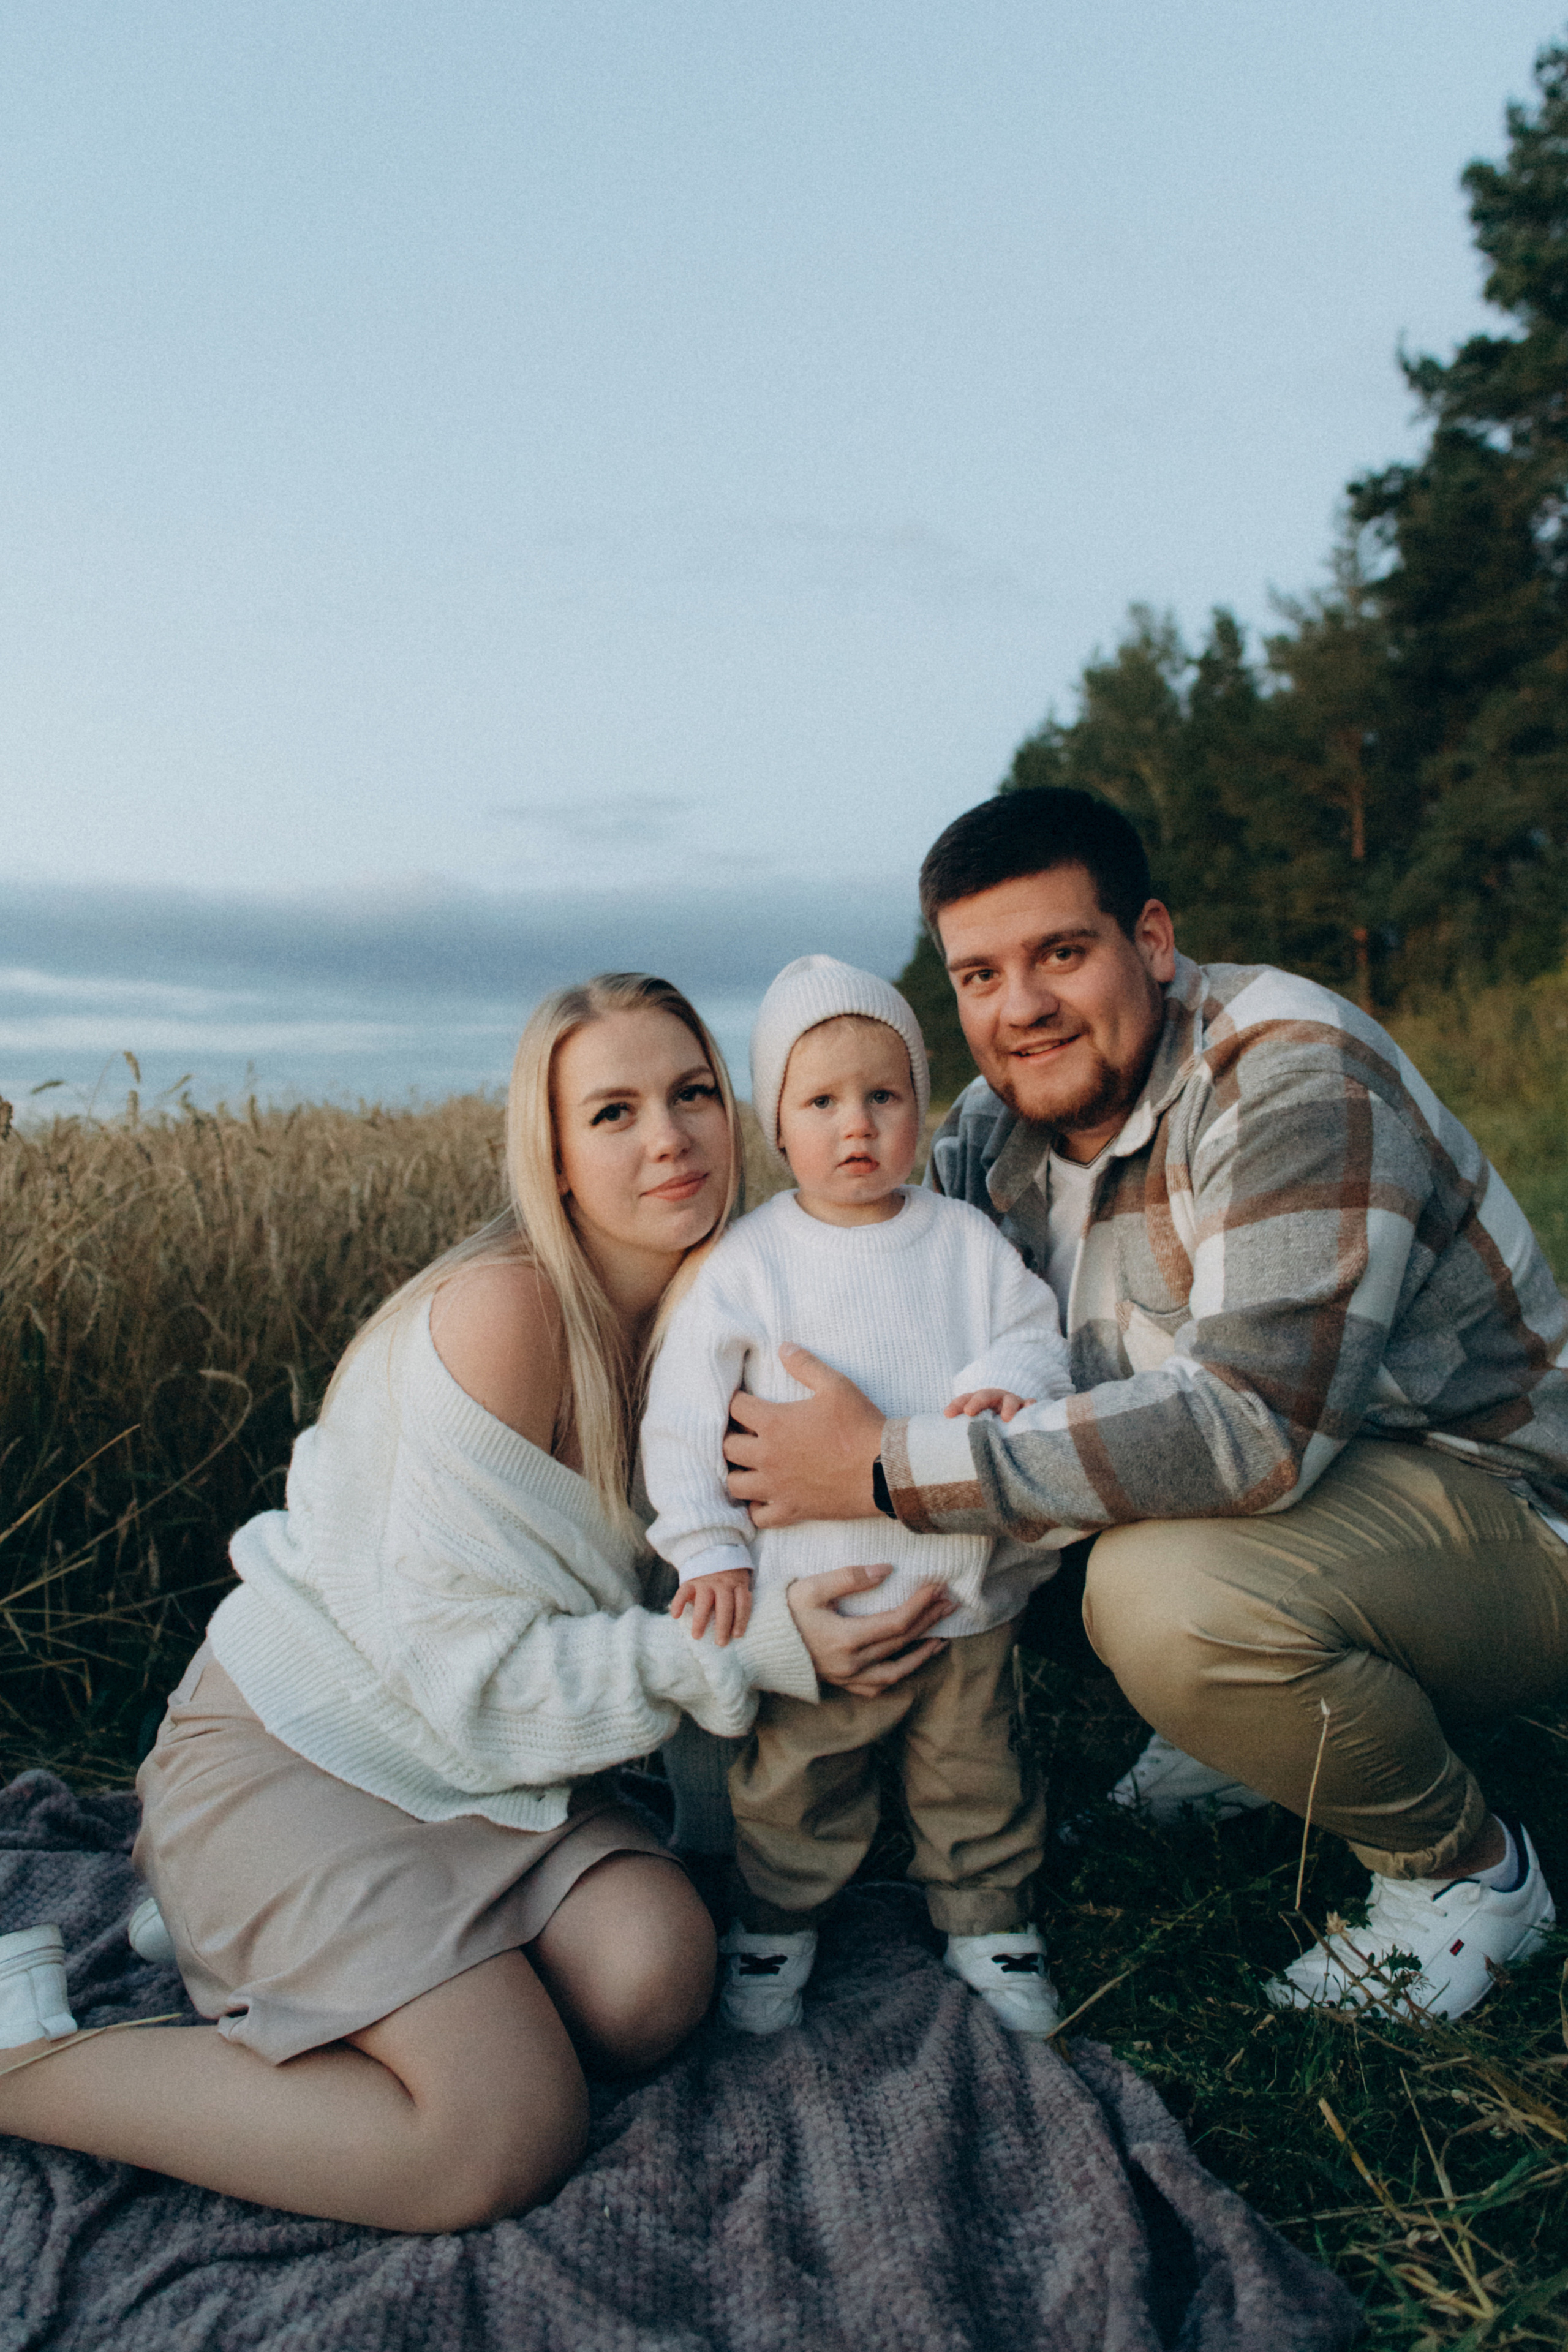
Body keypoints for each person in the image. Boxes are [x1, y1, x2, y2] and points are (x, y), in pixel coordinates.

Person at [0, 973, 952, 2232]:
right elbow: (476, 1681)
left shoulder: (722, 1316)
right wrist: (769, 1650)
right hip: (312, 1752)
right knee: (492, 2138)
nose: (666, 1136)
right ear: (550, 1156)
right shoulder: (504, 1315)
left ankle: (279, 1957)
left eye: (690, 1094)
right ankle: (34, 2059)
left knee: (654, 1983)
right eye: (610, 1112)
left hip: (499, 1783)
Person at [721, 790, 1568, 2024]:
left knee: (1162, 1596)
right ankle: (1239, 1737)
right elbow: (858, 1281)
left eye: (1059, 953)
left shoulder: (1287, 1076)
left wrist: (880, 1469)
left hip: (1499, 1522)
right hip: (1313, 1516)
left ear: (1152, 942)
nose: (1018, 1008)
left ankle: (1469, 1881)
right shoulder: (985, 1135)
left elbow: (1252, 1430)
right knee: (1038, 1479)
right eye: (979, 974)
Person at [643, 956, 1074, 2037]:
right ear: (777, 1127)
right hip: (816, 1600)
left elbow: (1033, 1336)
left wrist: (1012, 1384)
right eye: (822, 1101)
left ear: (917, 1106)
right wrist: (708, 1549)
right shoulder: (748, 1266)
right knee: (796, 1778)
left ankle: (988, 1918)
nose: (857, 1126)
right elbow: (685, 1418)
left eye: (883, 1096)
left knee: (975, 1768)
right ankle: (777, 1920)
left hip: (961, 1592)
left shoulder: (963, 1243)